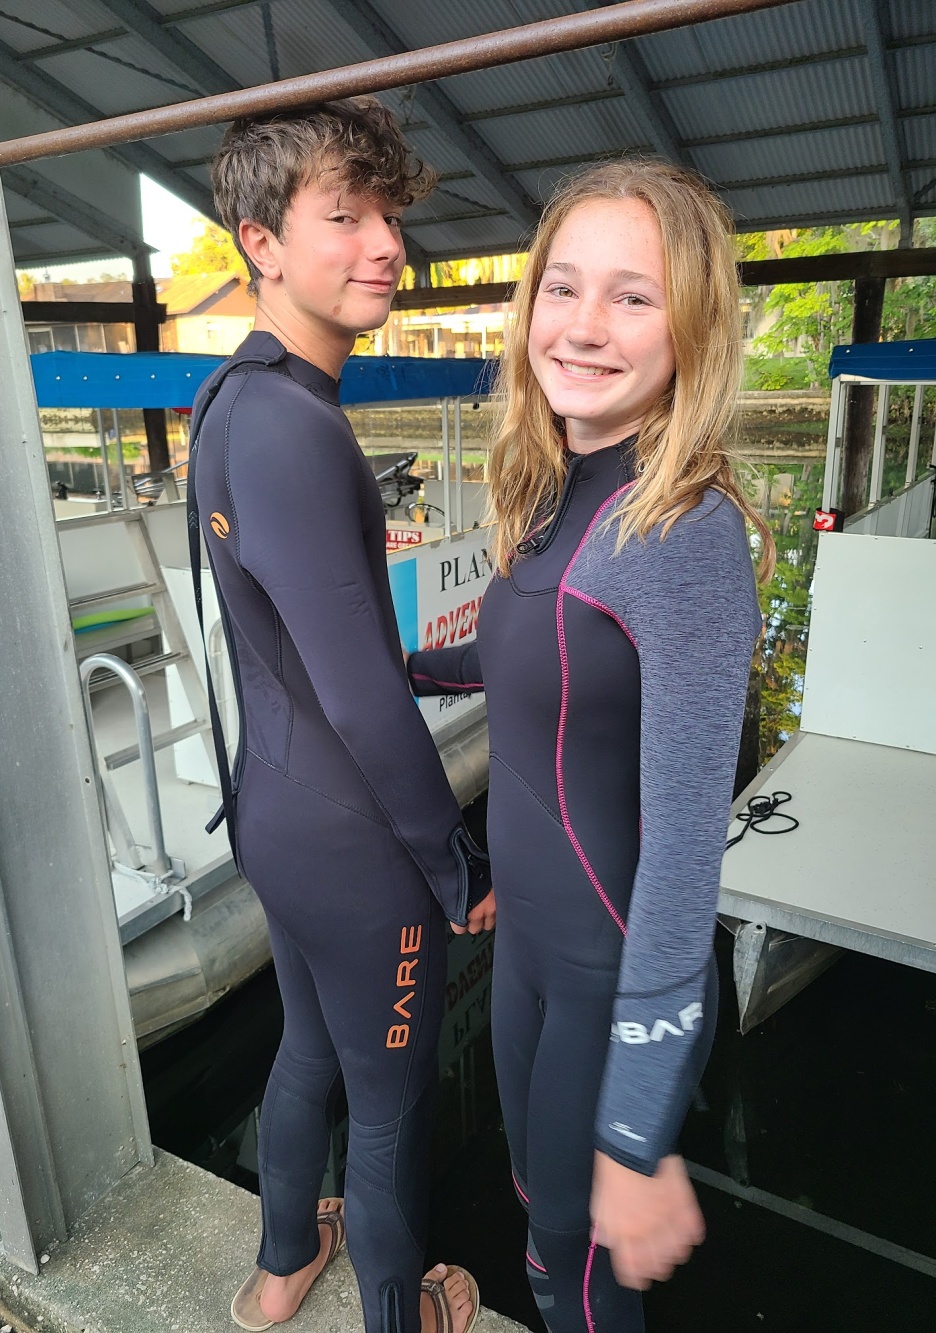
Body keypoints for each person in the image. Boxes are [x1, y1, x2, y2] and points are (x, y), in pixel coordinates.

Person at [407, 159, 772, 1332]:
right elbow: (521, 672)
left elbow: (680, 854)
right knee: (538, 1228)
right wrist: (381, 658)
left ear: (695, 325)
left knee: (576, 1271)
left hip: (615, 973)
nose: (582, 326)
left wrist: (637, 1125)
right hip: (524, 954)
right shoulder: (550, 485)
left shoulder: (683, 533)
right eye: (561, 288)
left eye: (632, 295)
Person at [189, 99, 494, 1333]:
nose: (385, 248)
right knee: (391, 1101)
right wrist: (452, 861)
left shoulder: (229, 401)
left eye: (388, 218)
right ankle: (395, 1310)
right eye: (345, 218)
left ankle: (276, 1272)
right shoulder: (297, 429)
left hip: (273, 811)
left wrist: (451, 664)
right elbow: (359, 699)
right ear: (261, 242)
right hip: (356, 844)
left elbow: (308, 650)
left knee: (308, 1041)